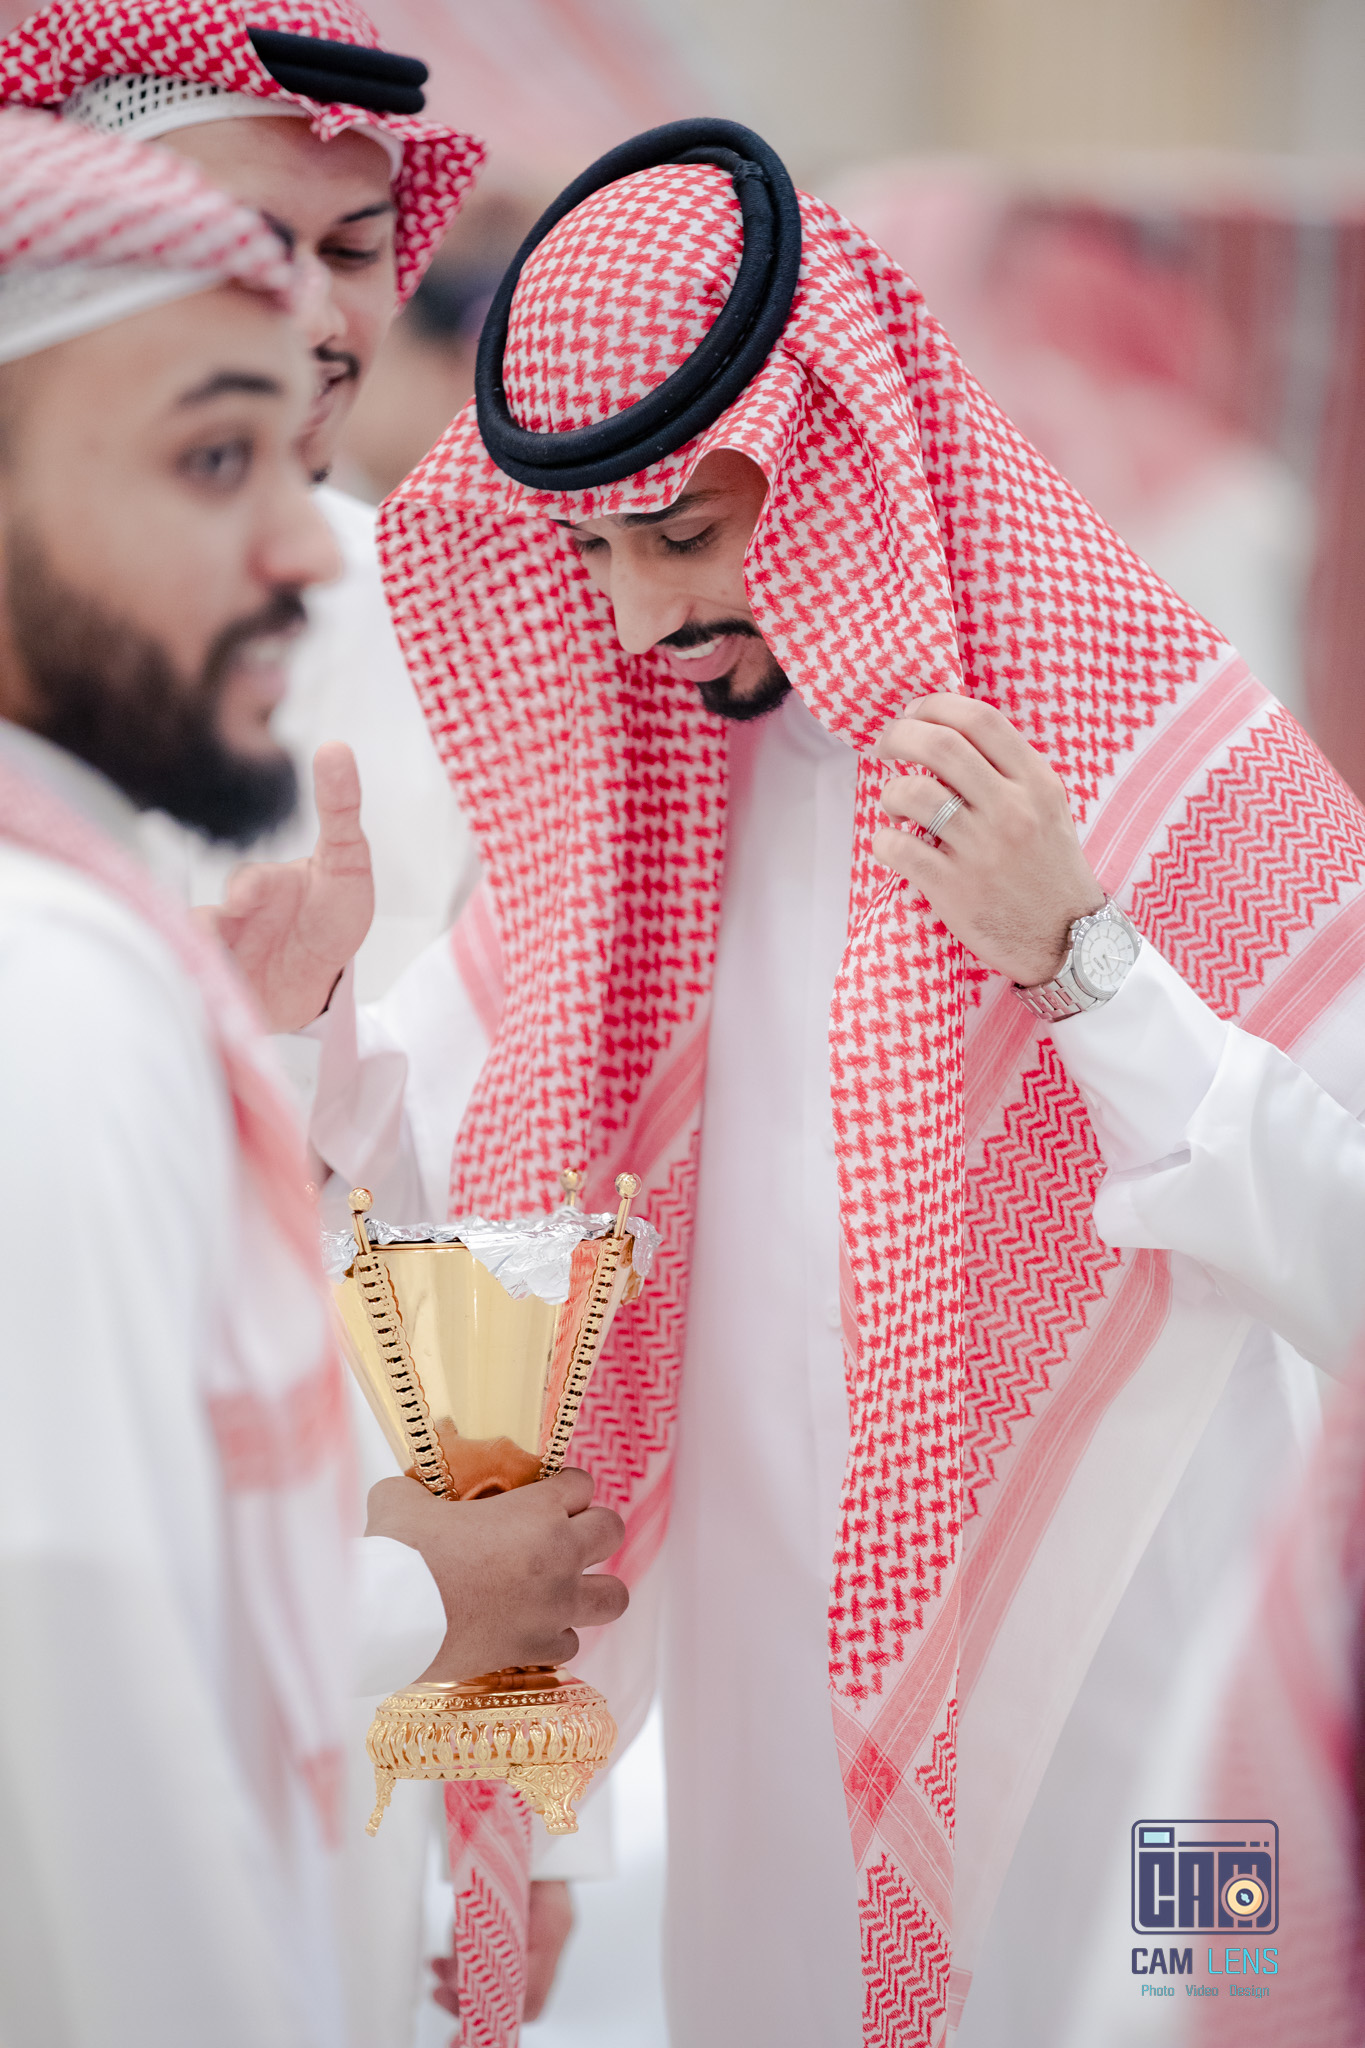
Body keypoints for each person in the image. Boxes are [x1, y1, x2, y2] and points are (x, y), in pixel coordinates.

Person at [240, 122, 1365, 2043]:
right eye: (595, 554)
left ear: (837, 454)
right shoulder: (656, 812)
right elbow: (456, 1214)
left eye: (682, 537)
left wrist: (1084, 965)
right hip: (781, 1725)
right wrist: (309, 1018)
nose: (636, 620)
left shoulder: (1179, 777)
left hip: (1129, 1678)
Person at [0, 108, 626, 2048]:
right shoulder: (53, 993)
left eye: (286, 453)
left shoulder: (98, 947)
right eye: (212, 458)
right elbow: (79, 1655)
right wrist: (429, 1606)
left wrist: (273, 1053)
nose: (298, 550)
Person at [0, 0, 487, 999]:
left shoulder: (466, 628)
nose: (308, 318)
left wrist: (291, 1034)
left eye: (350, 253)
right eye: (244, 250)